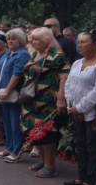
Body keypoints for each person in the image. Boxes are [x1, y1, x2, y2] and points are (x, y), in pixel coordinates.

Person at [64, 32, 96, 185]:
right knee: (80, 145)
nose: (80, 45)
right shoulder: (77, 63)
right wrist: (72, 106)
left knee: (92, 147)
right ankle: (80, 177)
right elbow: (69, 85)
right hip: (76, 111)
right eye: (79, 42)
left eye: (84, 42)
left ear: (95, 45)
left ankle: (90, 181)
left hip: (92, 114)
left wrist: (80, 108)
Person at [20, 27, 69, 177]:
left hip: (47, 100)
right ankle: (42, 161)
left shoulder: (56, 55)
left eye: (37, 40)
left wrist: (61, 99)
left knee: (46, 132)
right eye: (32, 39)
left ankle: (50, 165)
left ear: (47, 40)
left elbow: (64, 77)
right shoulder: (35, 53)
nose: (33, 42)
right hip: (31, 99)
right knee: (33, 129)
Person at [0, 28, 31, 162]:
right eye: (9, 38)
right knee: (7, 122)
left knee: (15, 122)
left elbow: (17, 75)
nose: (10, 41)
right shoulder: (7, 53)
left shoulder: (22, 54)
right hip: (3, 91)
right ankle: (9, 147)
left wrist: (7, 90)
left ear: (20, 40)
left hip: (14, 92)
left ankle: (16, 151)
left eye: (14, 39)